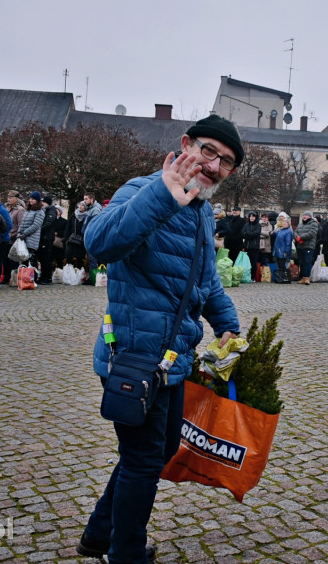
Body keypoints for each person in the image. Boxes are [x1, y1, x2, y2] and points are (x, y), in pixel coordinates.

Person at [78, 114, 242, 564]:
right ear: (186, 143)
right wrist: (161, 197)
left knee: (158, 451)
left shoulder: (203, 211)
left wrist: (229, 326)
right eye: (208, 151)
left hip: (171, 361)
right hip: (133, 357)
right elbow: (99, 243)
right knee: (144, 460)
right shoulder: (142, 189)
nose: (213, 165)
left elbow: (205, 282)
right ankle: (126, 553)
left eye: (225, 162)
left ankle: (99, 533)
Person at [17, 191, 45, 273]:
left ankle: (32, 279)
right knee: (24, 260)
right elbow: (22, 223)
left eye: (33, 199)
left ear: (37, 201)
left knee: (32, 260)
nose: (31, 200)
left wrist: (25, 233)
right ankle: (25, 279)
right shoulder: (28, 211)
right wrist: (19, 233)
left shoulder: (40, 212)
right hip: (24, 238)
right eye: (30, 198)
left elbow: (36, 225)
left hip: (32, 239)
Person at [37, 194, 59, 284]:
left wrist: (38, 230)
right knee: (43, 259)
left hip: (47, 238)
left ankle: (47, 278)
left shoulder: (51, 212)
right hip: (44, 237)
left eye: (43, 202)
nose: (42, 204)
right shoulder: (47, 211)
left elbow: (47, 224)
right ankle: (43, 277)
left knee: (46, 259)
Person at [5, 191, 26, 284]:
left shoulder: (20, 210)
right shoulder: (8, 208)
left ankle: (15, 279)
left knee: (14, 260)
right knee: (6, 260)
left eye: (11, 197)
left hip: (14, 238)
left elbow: (21, 224)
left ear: (16, 198)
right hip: (7, 237)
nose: (8, 199)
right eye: (8, 197)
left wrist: (16, 235)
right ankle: (8, 278)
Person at [295, 210, 319, 285]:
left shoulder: (314, 224)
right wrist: (297, 237)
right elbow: (295, 231)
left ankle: (307, 277)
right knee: (301, 262)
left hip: (308, 246)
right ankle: (303, 277)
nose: (304, 216)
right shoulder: (300, 224)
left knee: (307, 262)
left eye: (306, 215)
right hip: (300, 246)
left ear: (310, 216)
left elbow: (312, 233)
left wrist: (301, 237)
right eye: (304, 215)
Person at [65, 201, 90, 269]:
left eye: (82, 205)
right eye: (80, 205)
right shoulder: (74, 215)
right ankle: (69, 271)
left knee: (80, 258)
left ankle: (79, 273)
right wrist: (66, 237)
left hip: (81, 240)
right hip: (73, 238)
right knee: (68, 255)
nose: (80, 206)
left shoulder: (87, 216)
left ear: (86, 207)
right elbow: (69, 226)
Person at [272, 211, 294, 284]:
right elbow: (275, 234)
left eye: (285, 223)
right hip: (278, 250)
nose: (284, 224)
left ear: (288, 224)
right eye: (283, 223)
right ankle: (279, 278)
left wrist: (286, 252)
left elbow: (288, 243)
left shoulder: (288, 232)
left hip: (283, 251)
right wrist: (272, 233)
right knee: (279, 265)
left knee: (282, 265)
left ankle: (284, 278)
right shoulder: (280, 230)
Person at [241, 211, 262, 282]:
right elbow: (242, 233)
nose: (251, 218)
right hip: (246, 246)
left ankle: (253, 277)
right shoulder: (246, 225)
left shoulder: (258, 225)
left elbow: (255, 234)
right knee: (246, 262)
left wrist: (248, 234)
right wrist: (248, 234)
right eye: (250, 216)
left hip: (254, 247)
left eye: (253, 216)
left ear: (256, 218)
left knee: (253, 262)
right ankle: (246, 276)